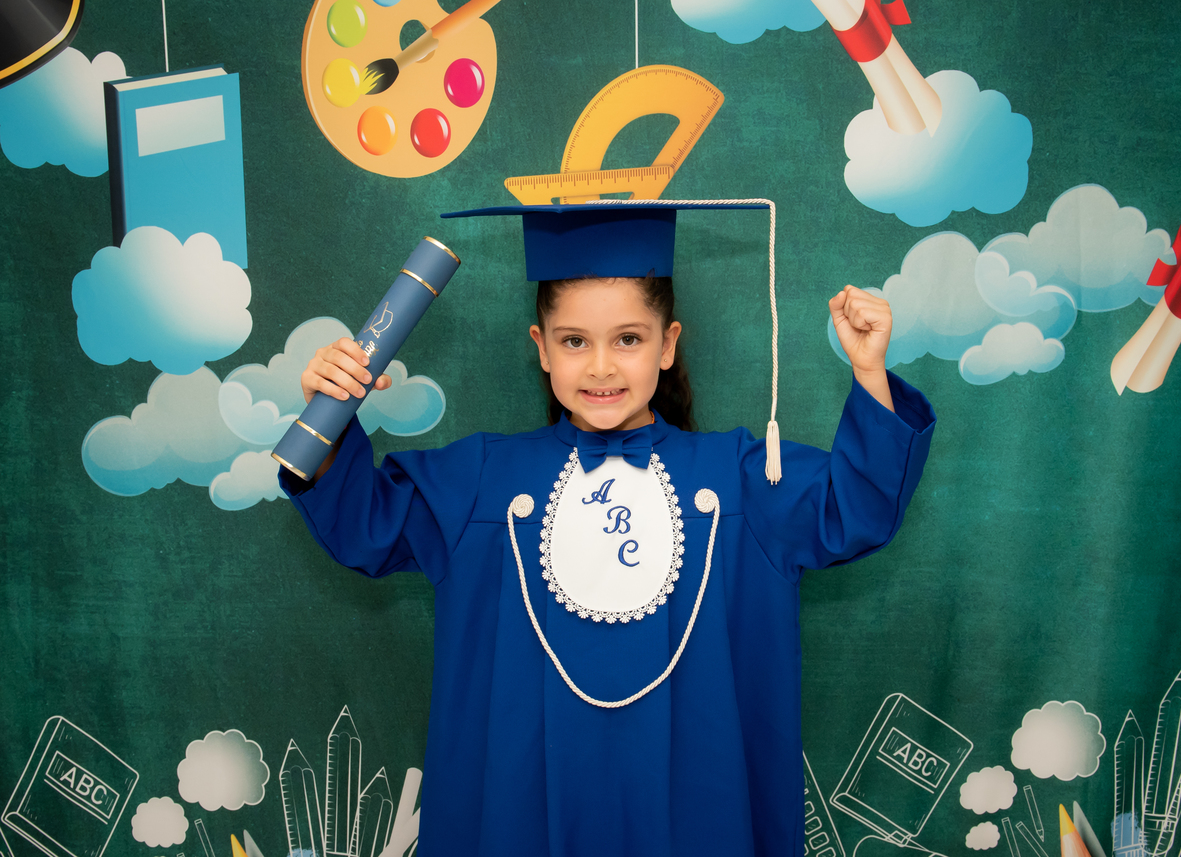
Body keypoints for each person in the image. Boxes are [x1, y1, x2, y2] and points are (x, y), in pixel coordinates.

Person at [280, 202, 935, 857]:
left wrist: (869, 372)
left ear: (667, 344)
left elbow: (854, 507)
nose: (601, 367)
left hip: (696, 811)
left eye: (628, 339)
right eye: (574, 341)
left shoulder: (738, 478)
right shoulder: (484, 480)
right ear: (541, 347)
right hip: (522, 811)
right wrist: (328, 414)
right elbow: (366, 525)